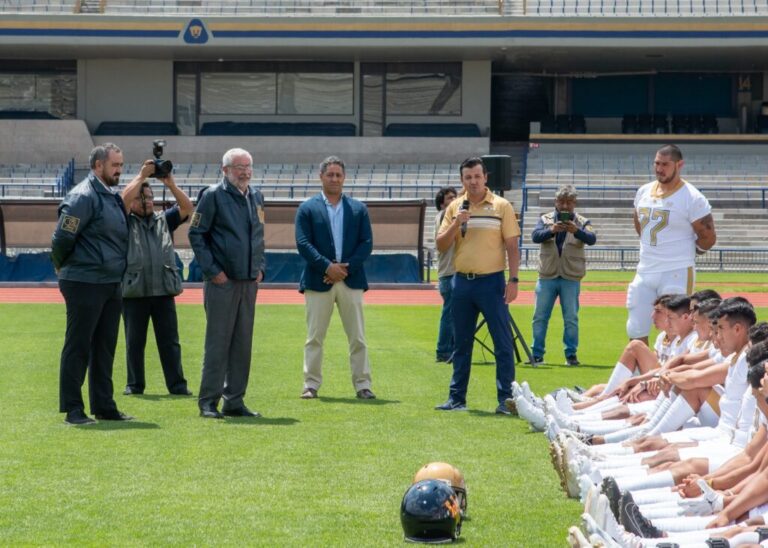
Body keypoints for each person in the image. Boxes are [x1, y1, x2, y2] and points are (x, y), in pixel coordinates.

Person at [51, 143, 137, 425]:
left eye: (121, 165)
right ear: (98, 165)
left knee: (105, 347)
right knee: (79, 346)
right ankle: (73, 409)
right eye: (115, 165)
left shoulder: (109, 196)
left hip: (110, 281)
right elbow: (62, 238)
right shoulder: (82, 196)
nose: (119, 170)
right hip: (85, 281)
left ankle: (104, 405)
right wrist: (62, 264)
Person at [434, 156, 521, 415]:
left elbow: (512, 246)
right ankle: (456, 398)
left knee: (502, 344)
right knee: (461, 344)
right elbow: (441, 245)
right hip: (461, 282)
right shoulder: (454, 209)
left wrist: (513, 280)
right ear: (462, 181)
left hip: (492, 283)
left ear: (486, 178)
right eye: (468, 177)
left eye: (477, 176)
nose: (473, 181)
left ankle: (506, 400)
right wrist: (457, 223)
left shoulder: (501, 206)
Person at [188, 147, 265, 419]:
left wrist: (260, 268)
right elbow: (196, 234)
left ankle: (234, 400)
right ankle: (208, 402)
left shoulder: (256, 196)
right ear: (225, 170)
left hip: (248, 281)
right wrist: (212, 271)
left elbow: (258, 235)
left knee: (243, 344)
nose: (244, 172)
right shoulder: (212, 196)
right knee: (217, 343)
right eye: (238, 167)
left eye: (247, 166)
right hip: (222, 282)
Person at [295, 156, 375, 400]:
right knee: (314, 338)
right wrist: (327, 267)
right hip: (318, 281)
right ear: (321, 177)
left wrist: (343, 269)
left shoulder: (358, 209)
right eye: (330, 174)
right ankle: (311, 384)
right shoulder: (307, 208)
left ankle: (363, 385)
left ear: (344, 178)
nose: (334, 179)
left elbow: (366, 243)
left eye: (338, 175)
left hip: (350, 280)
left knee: (358, 337)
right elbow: (303, 243)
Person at [627, 144, 716, 344]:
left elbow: (708, 235)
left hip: (676, 269)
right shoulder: (643, 191)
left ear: (679, 164)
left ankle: (674, 374)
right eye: (657, 163)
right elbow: (639, 223)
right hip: (645, 269)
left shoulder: (692, 197)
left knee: (678, 329)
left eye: (665, 164)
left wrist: (694, 251)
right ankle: (642, 372)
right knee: (635, 327)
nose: (659, 169)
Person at [120, 170, 193, 396]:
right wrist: (141, 177)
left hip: (163, 289)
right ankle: (134, 385)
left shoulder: (164, 219)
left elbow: (187, 208)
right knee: (134, 343)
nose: (147, 201)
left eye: (150, 197)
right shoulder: (123, 221)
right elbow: (121, 201)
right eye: (141, 198)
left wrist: (170, 183)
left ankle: (177, 385)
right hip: (134, 290)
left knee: (170, 342)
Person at [529, 184, 596, 366]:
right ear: (555, 202)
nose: (565, 206)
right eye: (562, 201)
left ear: (575, 203)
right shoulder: (545, 219)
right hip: (547, 275)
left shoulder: (582, 221)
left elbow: (592, 239)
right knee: (540, 316)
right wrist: (551, 230)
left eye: (569, 202)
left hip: (570, 276)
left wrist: (577, 231)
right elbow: (534, 236)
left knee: (571, 318)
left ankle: (571, 354)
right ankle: (537, 354)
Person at [433, 187, 458, 363]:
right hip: (449, 271)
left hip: (450, 270)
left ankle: (450, 348)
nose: (454, 200)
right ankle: (443, 350)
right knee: (450, 313)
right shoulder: (445, 216)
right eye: (450, 198)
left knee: (453, 312)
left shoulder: (446, 216)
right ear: (442, 203)